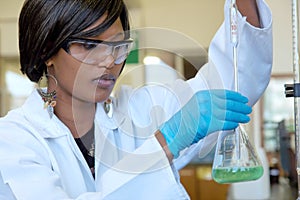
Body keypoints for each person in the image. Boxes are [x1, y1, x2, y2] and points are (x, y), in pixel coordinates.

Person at [0, 0, 272, 199]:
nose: (110, 61)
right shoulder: (14, 140)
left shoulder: (139, 111)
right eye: (90, 45)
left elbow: (232, 81)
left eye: (118, 47)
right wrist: (164, 143)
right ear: (47, 50)